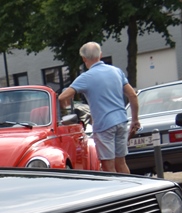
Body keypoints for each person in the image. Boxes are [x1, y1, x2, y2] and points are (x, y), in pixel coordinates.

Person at [58, 42, 140, 173]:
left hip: (104, 125)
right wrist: (135, 119)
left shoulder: (85, 78)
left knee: (108, 166)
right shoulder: (116, 71)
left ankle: (115, 187)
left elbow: (62, 97)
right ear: (100, 55)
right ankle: (128, 186)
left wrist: (66, 108)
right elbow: (133, 95)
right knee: (121, 163)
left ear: (84, 58)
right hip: (121, 121)